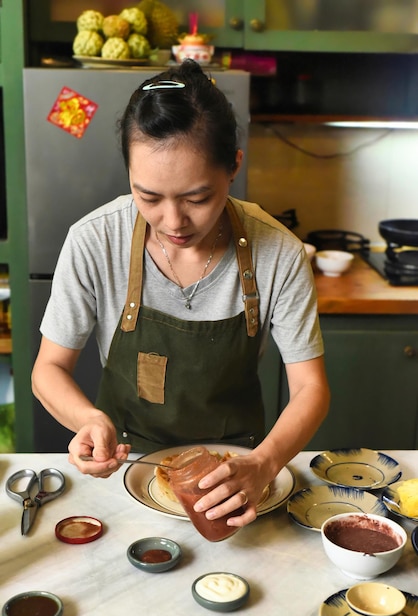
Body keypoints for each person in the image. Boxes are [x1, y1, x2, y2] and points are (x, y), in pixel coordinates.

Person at [32, 60, 330, 529]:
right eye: (148, 197)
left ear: (233, 165)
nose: (173, 222)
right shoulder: (95, 240)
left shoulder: (278, 252)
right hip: (130, 473)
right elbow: (48, 369)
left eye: (196, 198)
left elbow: (312, 389)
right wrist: (88, 419)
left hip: (236, 479)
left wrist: (266, 463)